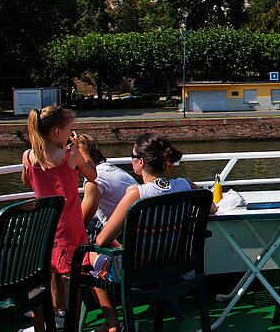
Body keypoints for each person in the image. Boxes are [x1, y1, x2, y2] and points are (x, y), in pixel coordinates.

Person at [88, 134, 214, 332]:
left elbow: (102, 239)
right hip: (175, 266)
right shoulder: (186, 185)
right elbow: (212, 207)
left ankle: (112, 322)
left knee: (92, 254)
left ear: (141, 162)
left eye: (132, 157)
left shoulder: (135, 194)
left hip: (137, 269)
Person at [21, 106, 98, 327]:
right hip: (68, 225)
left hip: (43, 226)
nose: (70, 135)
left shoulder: (28, 156)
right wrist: (82, 149)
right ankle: (70, 321)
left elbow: (27, 181)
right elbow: (92, 175)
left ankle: (51, 318)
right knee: (73, 276)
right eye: (68, 130)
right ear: (57, 132)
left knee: (48, 273)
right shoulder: (70, 156)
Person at [74, 134, 137, 237]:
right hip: (136, 230)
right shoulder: (113, 170)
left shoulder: (94, 181)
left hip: (122, 238)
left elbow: (81, 223)